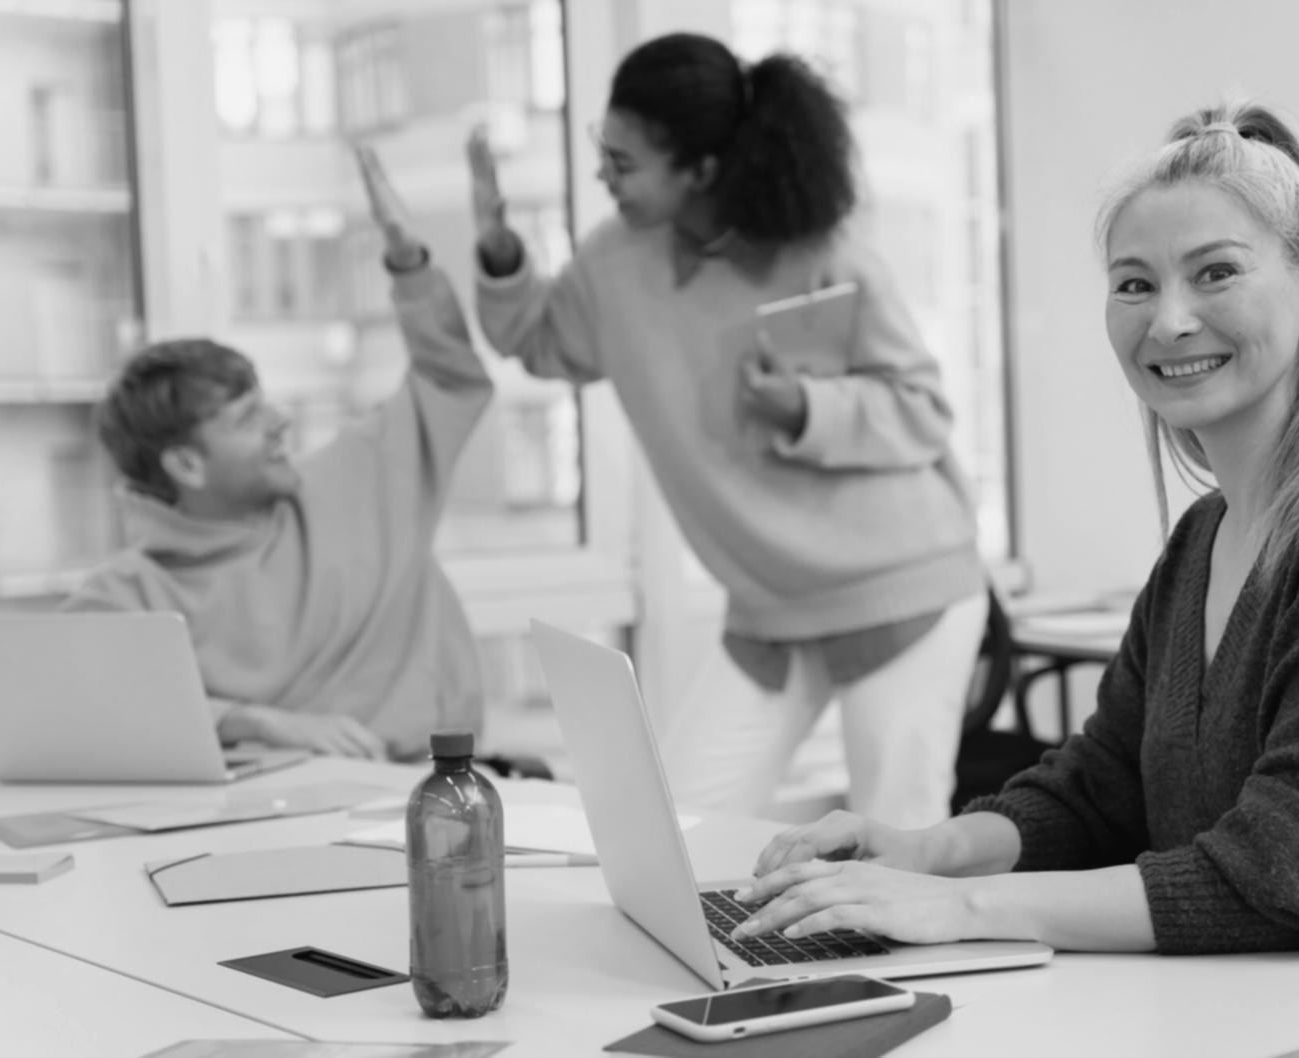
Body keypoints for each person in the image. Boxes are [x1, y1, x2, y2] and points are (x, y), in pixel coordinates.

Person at [730, 99, 1299, 1030]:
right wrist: (920, 852)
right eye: (1134, 284)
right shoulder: (1204, 537)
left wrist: (964, 910)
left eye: (1216, 273)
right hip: (1254, 1008)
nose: (1170, 320)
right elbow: (1099, 789)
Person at [464, 32, 988, 829]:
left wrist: (806, 409)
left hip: (902, 591)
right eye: (599, 151)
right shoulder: (614, 262)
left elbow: (921, 409)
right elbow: (540, 342)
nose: (603, 177)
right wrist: (501, 250)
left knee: (897, 845)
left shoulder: (825, 252)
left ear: (702, 169)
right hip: (771, 611)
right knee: (665, 830)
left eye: (624, 162)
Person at [62, 147, 494, 763]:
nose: (280, 422)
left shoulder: (358, 477)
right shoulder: (130, 595)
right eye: (247, 418)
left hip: (418, 794)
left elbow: (451, 380)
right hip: (247, 820)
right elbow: (66, 706)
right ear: (186, 464)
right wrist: (254, 722)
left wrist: (409, 266)